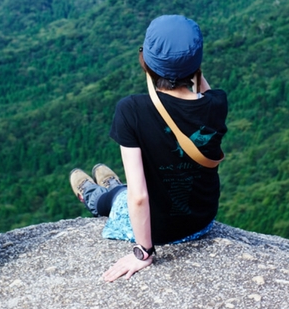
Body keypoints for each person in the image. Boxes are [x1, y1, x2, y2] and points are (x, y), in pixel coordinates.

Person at [69, 15, 228, 282]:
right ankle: (112, 186)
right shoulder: (217, 102)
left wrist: (144, 252)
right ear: (197, 66)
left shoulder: (131, 109)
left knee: (122, 198)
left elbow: (140, 196)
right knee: (129, 192)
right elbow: (203, 92)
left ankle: (93, 196)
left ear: (146, 62)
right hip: (202, 221)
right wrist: (191, 64)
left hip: (160, 230)